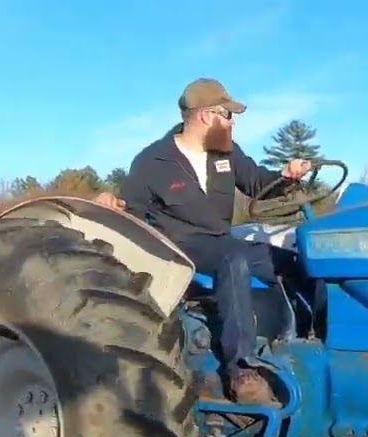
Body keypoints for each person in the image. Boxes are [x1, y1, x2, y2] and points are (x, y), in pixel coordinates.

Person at [93, 78, 313, 406]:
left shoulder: (226, 153)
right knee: (233, 261)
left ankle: (313, 342)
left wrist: (286, 176)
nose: (232, 122)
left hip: (223, 242)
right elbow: (132, 213)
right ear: (206, 116)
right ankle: (242, 369)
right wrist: (110, 203)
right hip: (180, 248)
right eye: (228, 114)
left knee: (304, 260)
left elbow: (257, 183)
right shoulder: (153, 162)